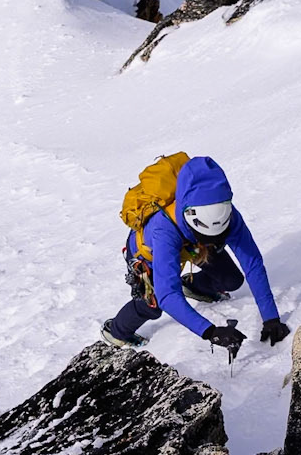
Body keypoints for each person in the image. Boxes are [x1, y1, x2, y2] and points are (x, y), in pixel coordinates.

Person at [101, 153, 290, 357]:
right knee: (152, 305)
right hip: (149, 255)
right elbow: (167, 296)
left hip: (195, 245)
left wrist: (271, 318)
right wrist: (210, 331)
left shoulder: (226, 214)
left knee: (231, 279)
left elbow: (252, 263)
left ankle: (193, 286)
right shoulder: (163, 228)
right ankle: (116, 332)